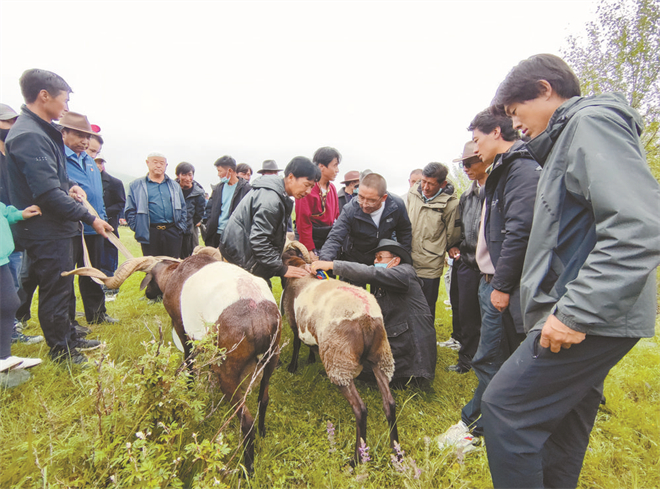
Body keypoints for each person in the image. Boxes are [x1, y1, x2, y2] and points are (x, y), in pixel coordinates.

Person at [480, 53, 660, 489]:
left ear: (544, 89)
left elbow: (639, 225)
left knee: (505, 409)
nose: (515, 124)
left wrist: (575, 311)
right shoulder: (564, 140)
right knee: (562, 419)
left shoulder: (590, 123)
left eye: (514, 111)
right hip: (588, 308)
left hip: (589, 312)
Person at [440, 106, 540, 448]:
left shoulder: (520, 171)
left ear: (496, 133)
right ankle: (499, 421)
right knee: (502, 358)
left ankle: (474, 428)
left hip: (500, 283)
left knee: (490, 358)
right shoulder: (502, 172)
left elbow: (520, 232)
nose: (474, 148)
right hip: (488, 280)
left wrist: (501, 284)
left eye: (476, 139)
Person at [6, 69, 111, 364]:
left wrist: (70, 186)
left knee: (64, 286)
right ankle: (62, 351)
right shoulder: (29, 135)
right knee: (55, 288)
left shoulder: (42, 131)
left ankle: (70, 334)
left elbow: (54, 181)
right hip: (45, 229)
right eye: (63, 99)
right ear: (44, 96)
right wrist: (90, 219)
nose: (65, 107)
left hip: (58, 228)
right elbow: (46, 193)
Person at [312, 239, 437, 386]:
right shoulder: (384, 283)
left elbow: (370, 273)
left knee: (353, 364)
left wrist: (332, 265)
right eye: (374, 258)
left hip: (413, 358)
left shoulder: (405, 273)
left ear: (395, 260)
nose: (375, 262)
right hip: (399, 344)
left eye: (380, 257)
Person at [221, 156, 319, 283]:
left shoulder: (277, 193)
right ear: (290, 177)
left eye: (312, 187)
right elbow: (259, 240)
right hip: (241, 258)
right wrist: (281, 269)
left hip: (242, 254)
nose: (308, 191)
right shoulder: (271, 200)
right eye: (306, 185)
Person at [61, 111, 117, 325]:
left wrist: (102, 219)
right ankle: (69, 321)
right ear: (64, 133)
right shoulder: (59, 158)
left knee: (94, 273)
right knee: (67, 275)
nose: (85, 142)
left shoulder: (90, 162)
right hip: (70, 227)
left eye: (87, 137)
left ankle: (97, 314)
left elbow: (97, 195)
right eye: (79, 135)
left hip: (94, 227)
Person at [319, 173, 412, 286]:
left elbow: (404, 232)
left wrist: (403, 261)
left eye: (371, 200)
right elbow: (335, 236)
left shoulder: (396, 206)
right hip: (355, 258)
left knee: (382, 299)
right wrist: (324, 260)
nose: (364, 204)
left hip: (382, 260)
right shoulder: (350, 209)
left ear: (383, 198)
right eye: (361, 197)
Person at [445, 142, 488, 374]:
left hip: (490, 266)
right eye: (463, 165)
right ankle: (466, 360)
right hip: (467, 262)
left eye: (470, 163)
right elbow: (458, 228)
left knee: (489, 318)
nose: (466, 169)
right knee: (465, 314)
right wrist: (452, 245)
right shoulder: (466, 196)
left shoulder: (497, 191)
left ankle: (487, 360)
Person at [407, 162, 460, 317]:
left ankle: (426, 341)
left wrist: (451, 247)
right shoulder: (413, 193)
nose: (425, 187)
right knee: (407, 306)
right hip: (409, 260)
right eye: (423, 181)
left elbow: (452, 234)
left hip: (430, 264)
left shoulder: (451, 204)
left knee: (426, 309)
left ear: (443, 184)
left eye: (431, 184)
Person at [0, 201, 44, 384]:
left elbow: (3, 211)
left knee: (9, 303)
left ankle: (3, 358)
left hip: (2, 259)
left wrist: (19, 214)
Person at [125, 152, 187, 257]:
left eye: (162, 163)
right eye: (155, 162)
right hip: (150, 232)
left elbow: (183, 209)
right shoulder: (136, 185)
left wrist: (180, 228)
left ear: (166, 165)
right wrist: (138, 227)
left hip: (172, 232)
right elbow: (130, 210)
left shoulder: (174, 186)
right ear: (147, 163)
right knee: (152, 267)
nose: (158, 165)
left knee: (172, 266)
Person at [294, 146, 341, 259]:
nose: (337, 170)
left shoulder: (333, 188)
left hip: (326, 240)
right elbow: (303, 221)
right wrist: (309, 250)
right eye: (334, 165)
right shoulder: (307, 188)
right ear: (321, 167)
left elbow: (337, 216)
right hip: (310, 239)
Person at [204, 156, 251, 248]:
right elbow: (209, 208)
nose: (218, 174)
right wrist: (209, 223)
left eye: (220, 171)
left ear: (229, 171)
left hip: (236, 237)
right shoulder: (218, 189)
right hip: (217, 234)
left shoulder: (246, 190)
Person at [95, 156, 126, 279]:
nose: (98, 165)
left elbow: (120, 203)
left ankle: (109, 284)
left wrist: (102, 214)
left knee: (108, 256)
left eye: (100, 162)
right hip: (87, 226)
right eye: (95, 162)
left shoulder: (115, 183)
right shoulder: (83, 182)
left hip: (108, 226)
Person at [175, 162, 206, 258]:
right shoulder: (172, 189)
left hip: (190, 230)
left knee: (189, 258)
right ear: (178, 175)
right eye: (184, 174)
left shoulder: (198, 193)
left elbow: (199, 213)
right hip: (173, 229)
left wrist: (190, 223)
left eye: (190, 174)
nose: (188, 178)